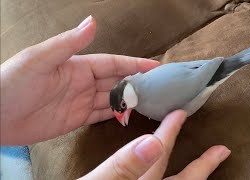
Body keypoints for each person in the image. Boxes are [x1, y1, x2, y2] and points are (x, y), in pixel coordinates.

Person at [1, 15, 231, 179]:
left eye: (122, 107)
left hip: (203, 77)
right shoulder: (144, 94)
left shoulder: (150, 96)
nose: (123, 115)